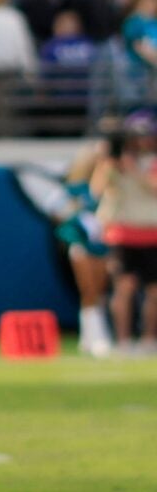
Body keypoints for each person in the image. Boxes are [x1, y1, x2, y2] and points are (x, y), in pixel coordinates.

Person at [96, 117, 157, 353]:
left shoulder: (151, 163)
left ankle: (149, 340)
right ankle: (123, 341)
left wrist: (134, 170)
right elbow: (97, 189)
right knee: (124, 288)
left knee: (154, 291)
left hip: (151, 233)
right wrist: (107, 162)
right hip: (123, 233)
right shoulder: (114, 164)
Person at [59, 136, 117, 357]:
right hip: (82, 243)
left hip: (101, 244)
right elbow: (64, 216)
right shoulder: (75, 189)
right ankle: (94, 337)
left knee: (100, 291)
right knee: (88, 290)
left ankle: (93, 336)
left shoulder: (109, 187)